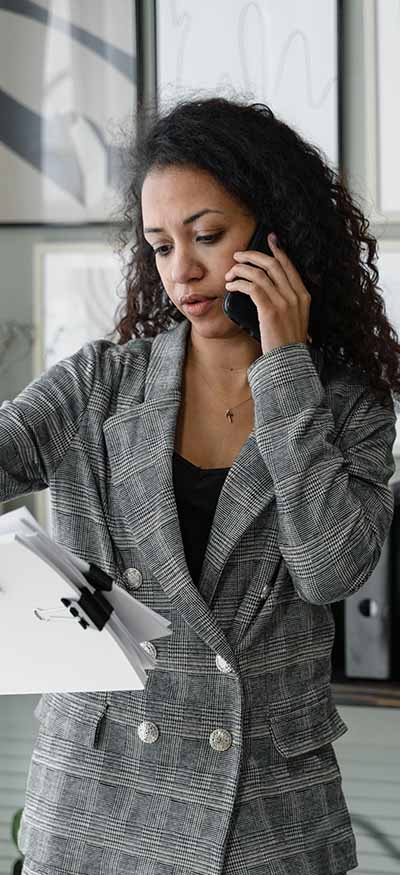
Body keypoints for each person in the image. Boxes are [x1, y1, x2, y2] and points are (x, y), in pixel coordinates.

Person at [2, 95, 399, 875]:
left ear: (276, 230)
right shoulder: (100, 384)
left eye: (208, 236)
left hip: (265, 820)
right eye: (159, 246)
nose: (181, 271)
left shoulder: (351, 405)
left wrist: (285, 364)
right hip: (97, 808)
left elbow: (328, 568)